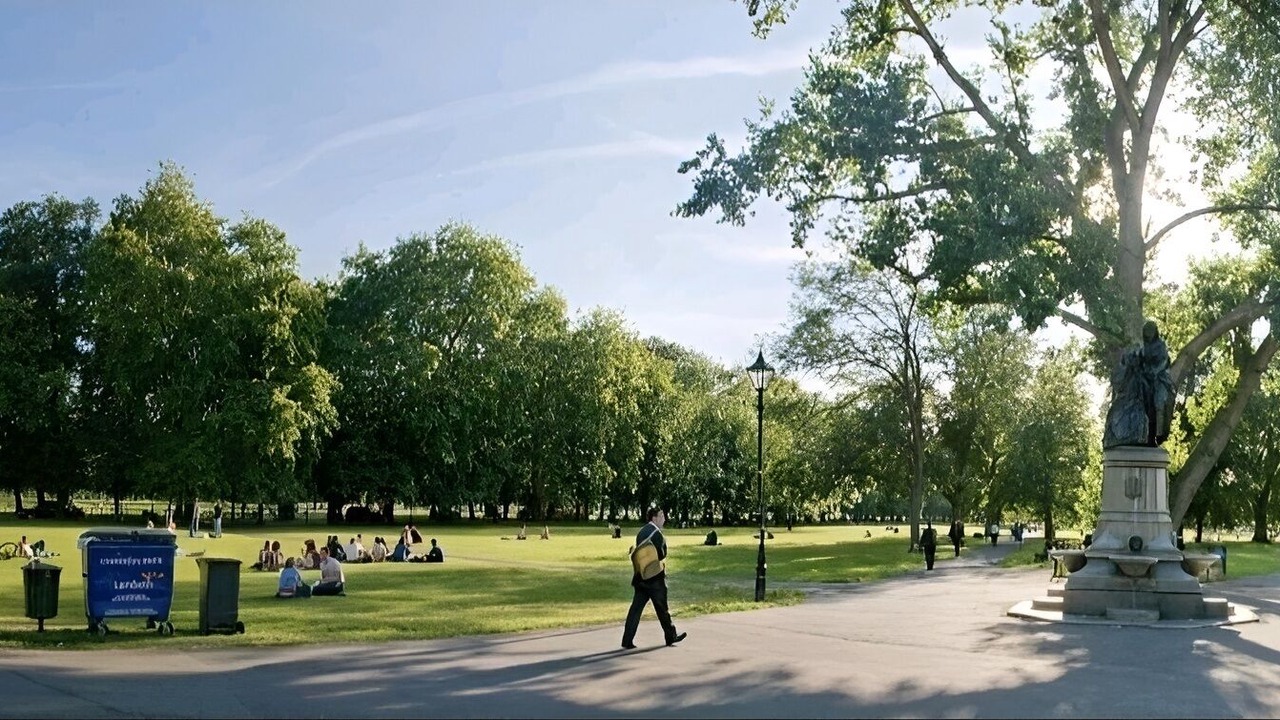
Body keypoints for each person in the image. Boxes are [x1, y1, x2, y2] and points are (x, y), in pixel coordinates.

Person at [621, 507, 686, 650]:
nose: (664, 518)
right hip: (655, 578)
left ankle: (627, 640)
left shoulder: (641, 532)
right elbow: (661, 555)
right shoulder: (657, 534)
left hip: (641, 577)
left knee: (635, 609)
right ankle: (671, 636)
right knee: (662, 608)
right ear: (654, 518)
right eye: (661, 515)